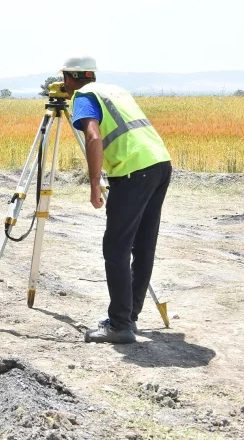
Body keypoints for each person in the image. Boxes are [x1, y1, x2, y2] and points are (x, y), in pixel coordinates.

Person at [61, 56, 172, 344]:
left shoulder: (84, 96)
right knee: (143, 243)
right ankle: (128, 317)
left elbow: (94, 136)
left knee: (116, 247)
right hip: (159, 163)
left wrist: (95, 182)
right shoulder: (114, 90)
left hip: (133, 170)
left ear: (69, 78)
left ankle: (120, 325)